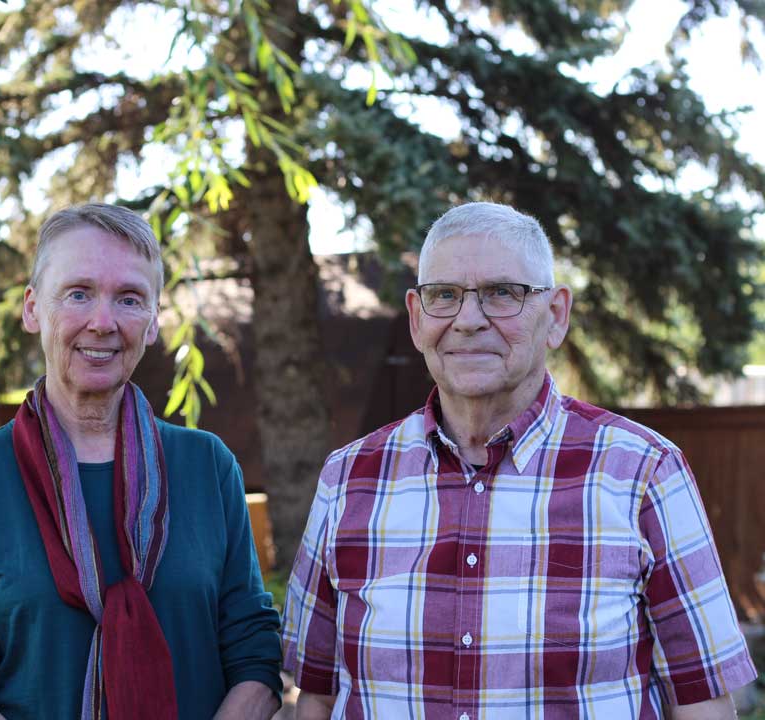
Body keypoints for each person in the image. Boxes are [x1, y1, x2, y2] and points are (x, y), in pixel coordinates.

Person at [281, 202, 756, 719]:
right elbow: (317, 697)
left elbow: (702, 703)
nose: (468, 320)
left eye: (502, 293)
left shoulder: (644, 474)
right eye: (445, 295)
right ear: (417, 319)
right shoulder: (348, 479)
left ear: (555, 316)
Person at [0, 203, 282, 720]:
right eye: (78, 293)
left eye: (129, 299)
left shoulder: (207, 466)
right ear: (32, 309)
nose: (103, 322)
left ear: (152, 322)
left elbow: (254, 650)